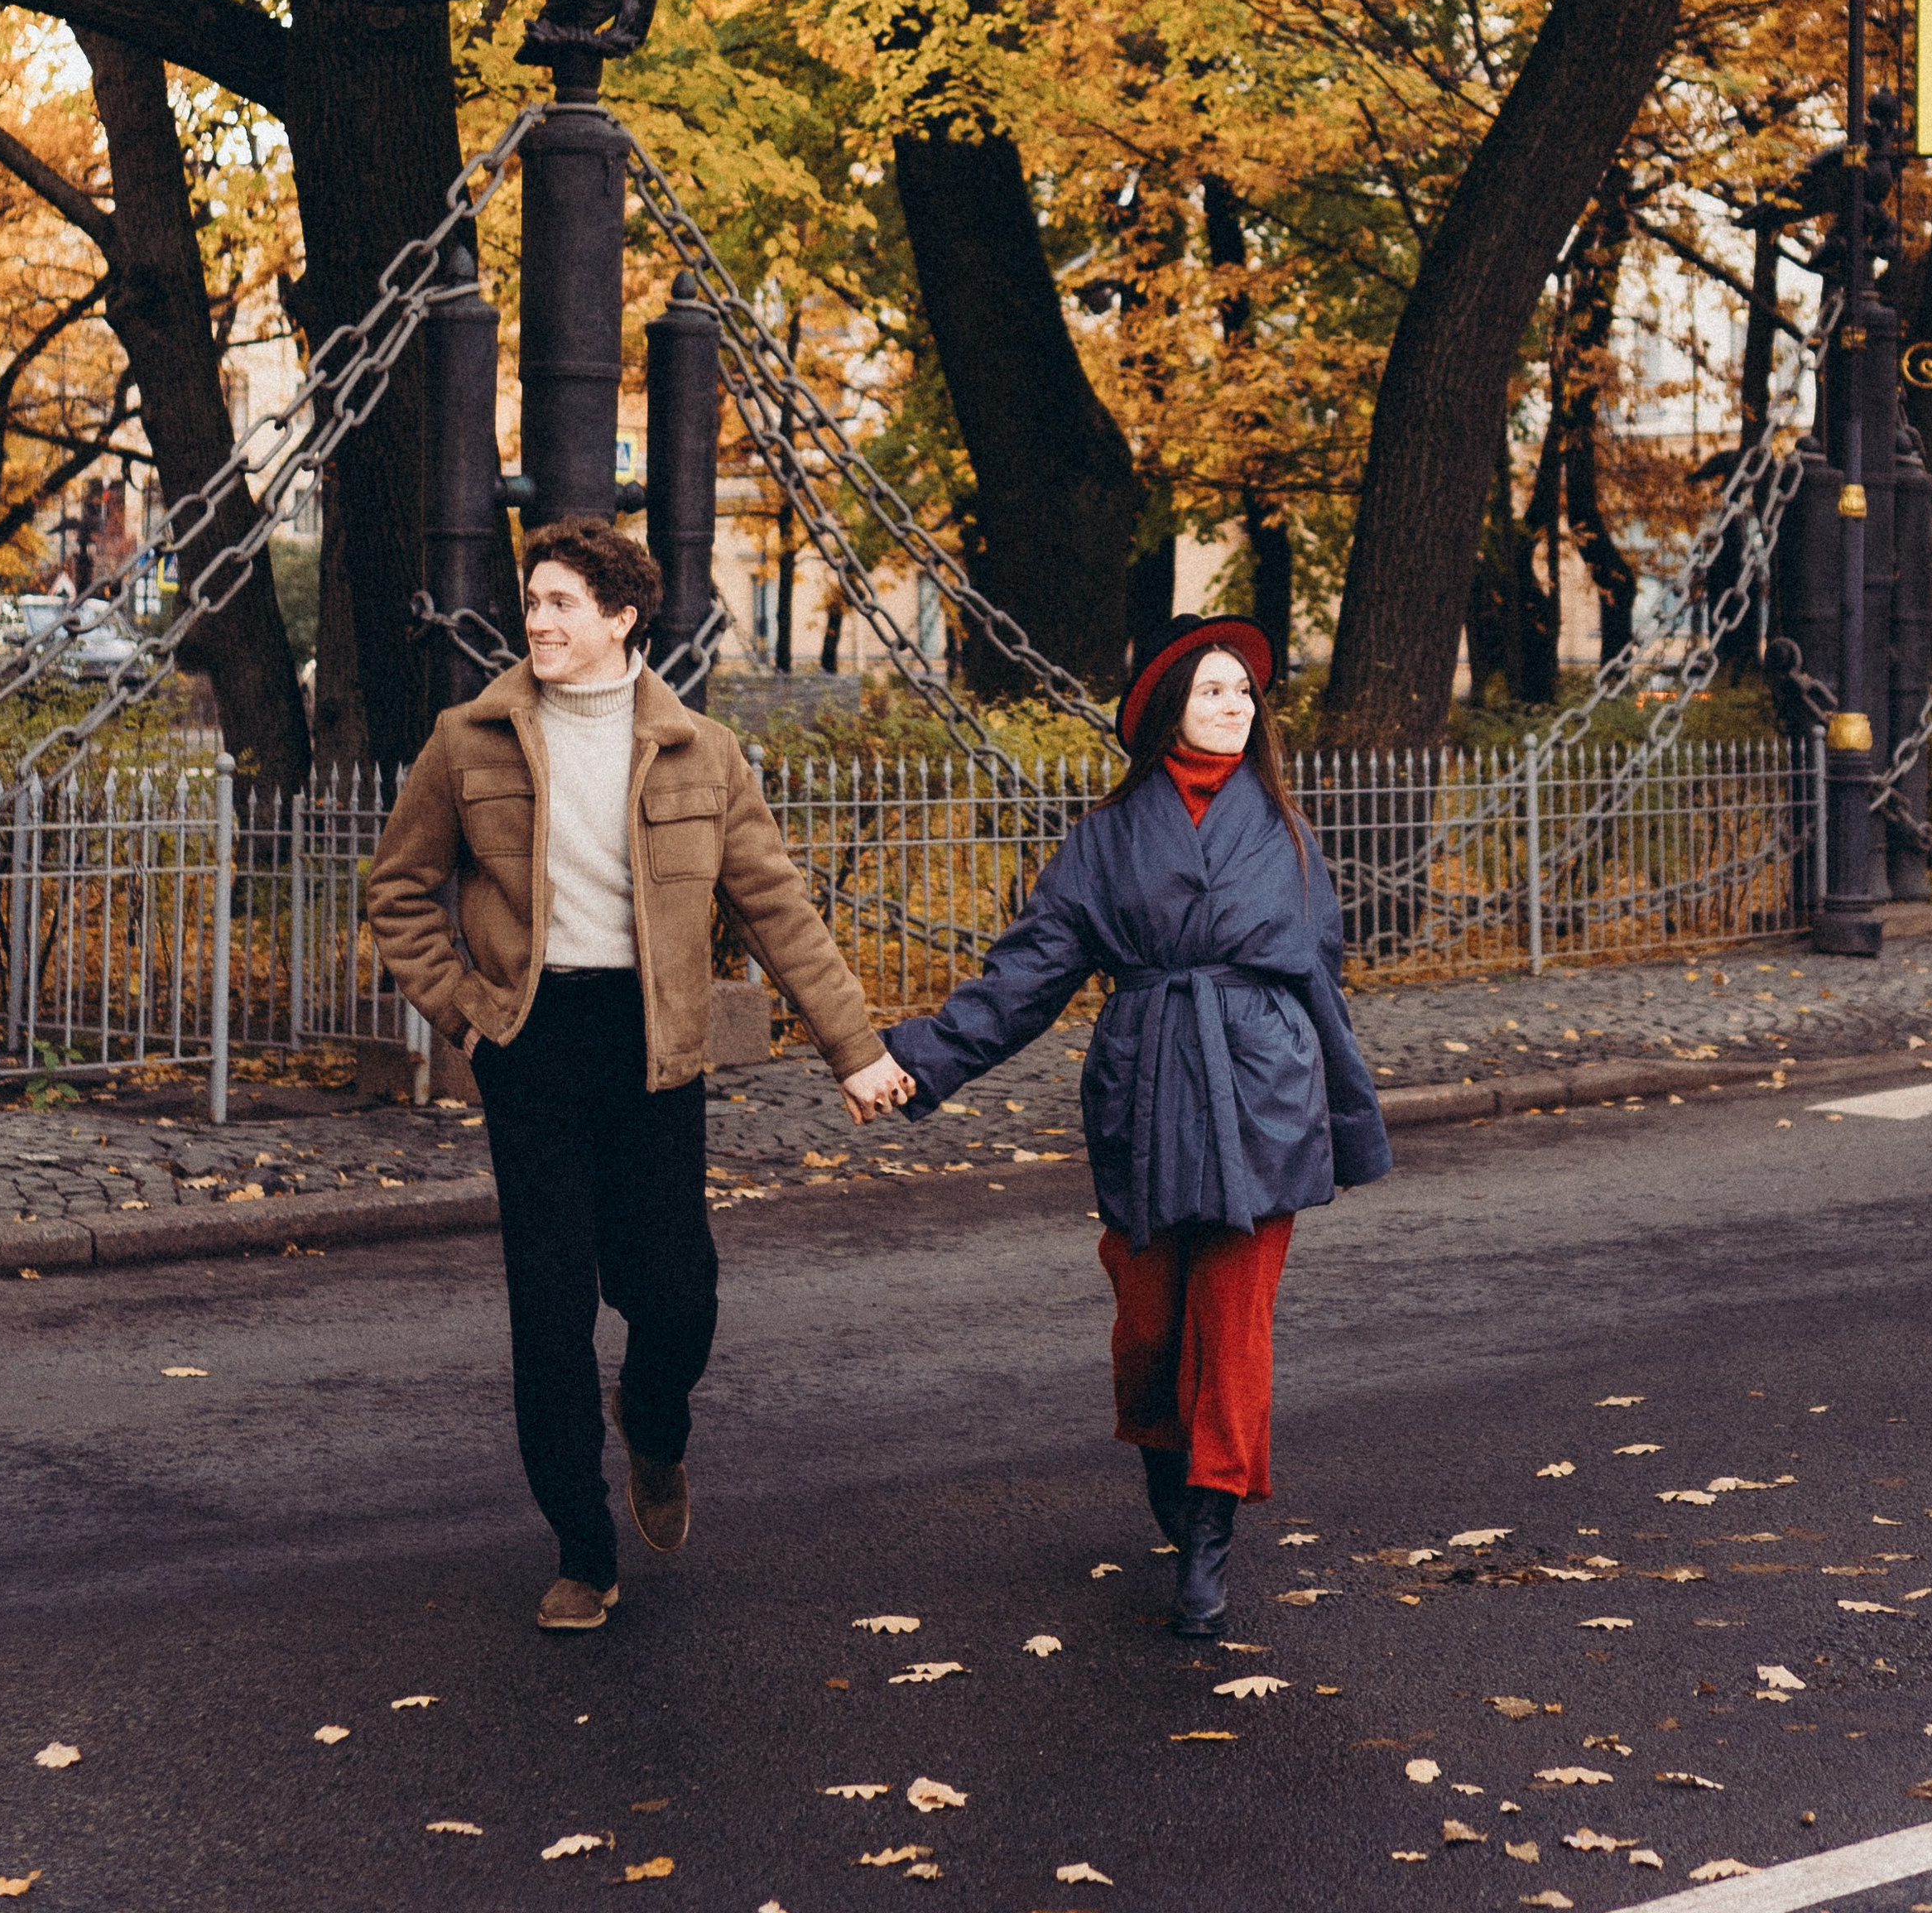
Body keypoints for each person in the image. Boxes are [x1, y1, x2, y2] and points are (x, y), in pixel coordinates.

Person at [368, 517, 913, 1632]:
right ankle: (582, 1548)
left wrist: (856, 1051)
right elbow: (399, 893)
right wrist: (467, 1019)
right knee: (552, 1311)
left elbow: (776, 910)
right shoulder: (466, 742)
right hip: (529, 1045)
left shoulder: (698, 752)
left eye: (564, 603)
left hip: (657, 1053)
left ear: (622, 619)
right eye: (533, 601)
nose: (539, 621)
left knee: (678, 1298)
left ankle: (654, 1424)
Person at [884, 613, 1391, 1637]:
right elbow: (1028, 974)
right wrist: (922, 1060)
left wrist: (1342, 1113)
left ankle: (1209, 1527)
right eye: (1211, 691)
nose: (1234, 707)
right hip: (1149, 1085)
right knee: (1151, 1324)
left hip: (1264, 1092)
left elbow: (1319, 976)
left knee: (1233, 1324)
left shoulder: (1285, 830)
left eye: (1244, 692)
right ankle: (1170, 1453)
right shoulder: (1107, 838)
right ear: (1167, 708)